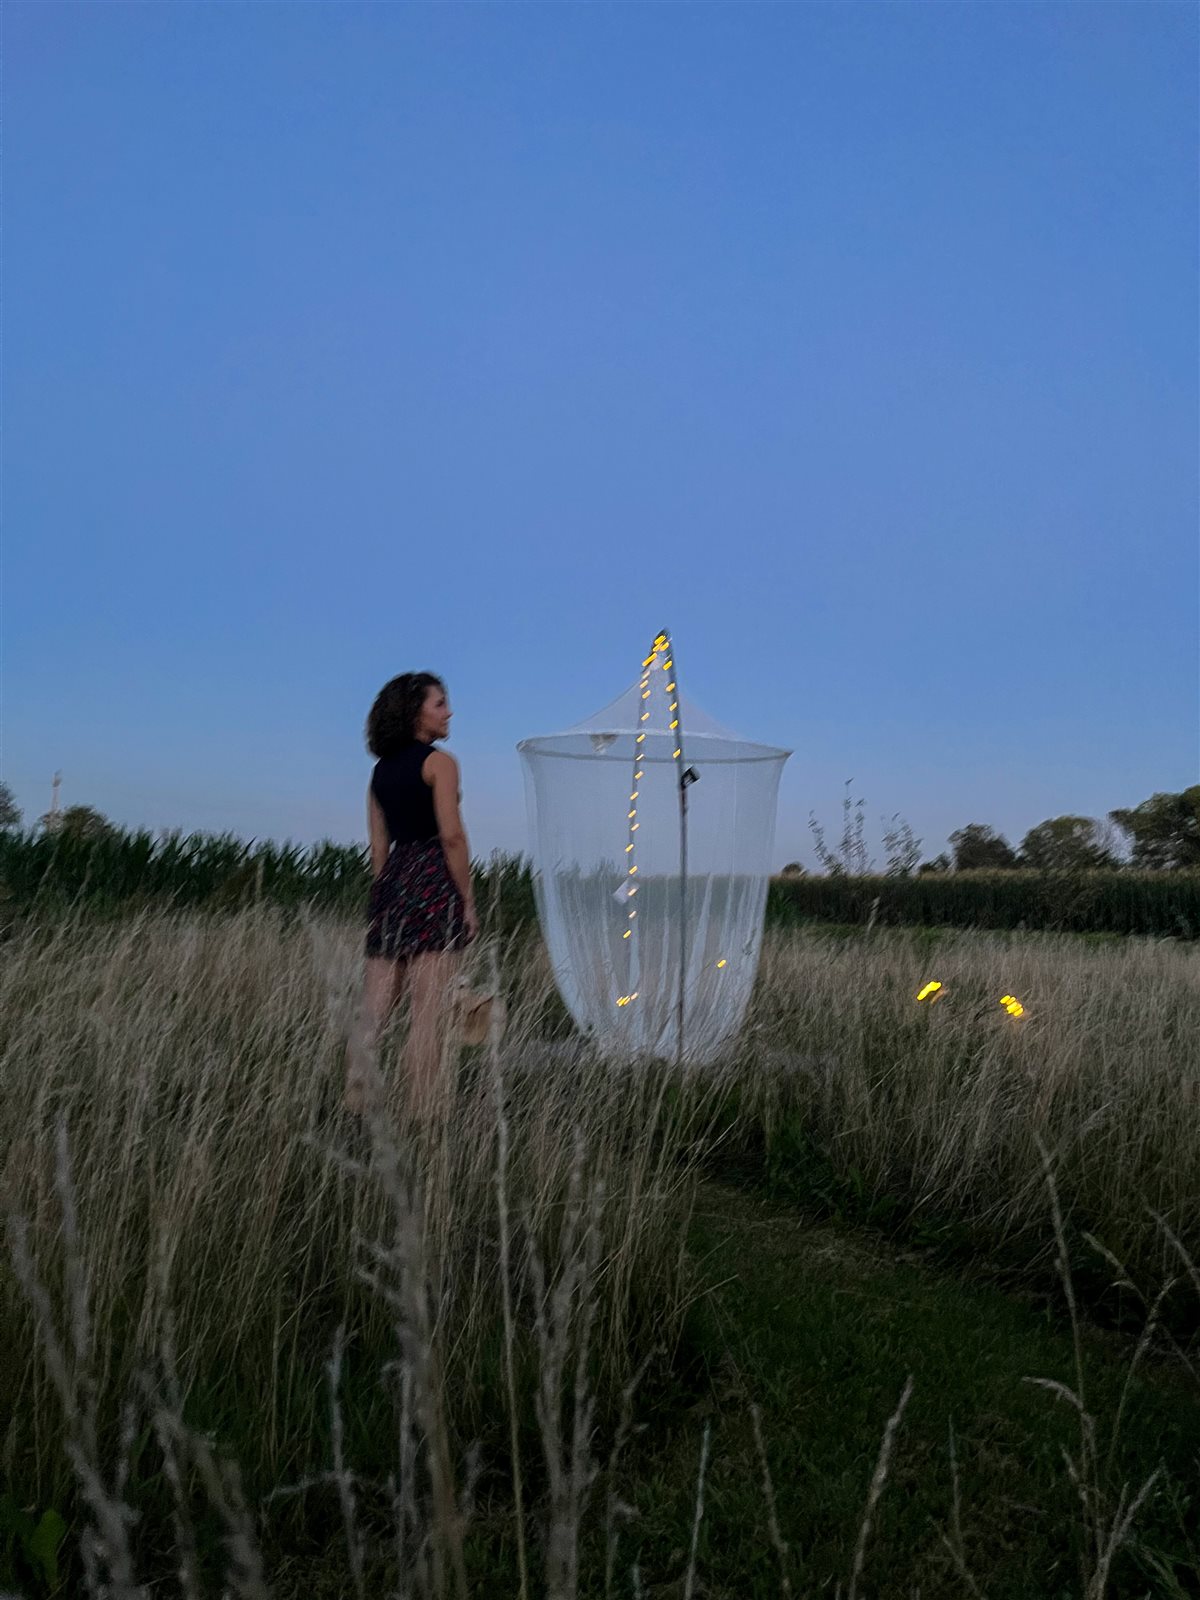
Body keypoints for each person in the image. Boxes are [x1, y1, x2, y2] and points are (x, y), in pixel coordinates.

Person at [345, 672, 479, 1117]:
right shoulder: (441, 764)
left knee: (374, 1010)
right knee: (427, 1015)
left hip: (393, 882)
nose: (449, 712)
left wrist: (385, 898)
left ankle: (356, 1104)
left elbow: (378, 851)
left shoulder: (378, 774)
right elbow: (452, 837)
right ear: (415, 713)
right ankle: (424, 1113)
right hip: (434, 880)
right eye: (440, 704)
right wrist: (466, 901)